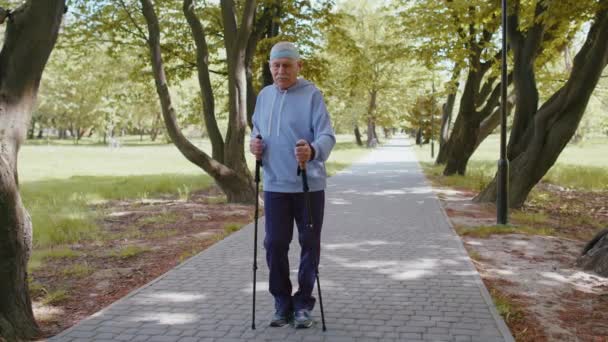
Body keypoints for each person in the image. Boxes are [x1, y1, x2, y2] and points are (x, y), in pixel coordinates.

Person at [249, 41, 336, 329]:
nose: (281, 70)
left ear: (298, 66)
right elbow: (257, 130)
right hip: (274, 185)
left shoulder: (312, 95)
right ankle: (282, 304)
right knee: (274, 245)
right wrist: (255, 146)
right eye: (276, 65)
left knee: (309, 245)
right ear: (271, 67)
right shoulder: (263, 96)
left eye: (287, 65)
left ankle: (303, 304)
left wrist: (312, 150)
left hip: (308, 186)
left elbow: (327, 136)